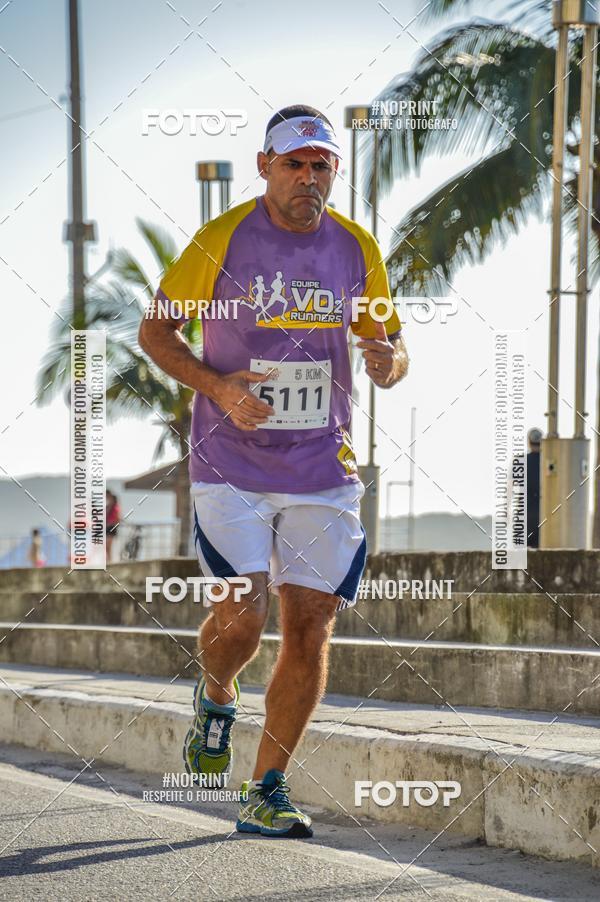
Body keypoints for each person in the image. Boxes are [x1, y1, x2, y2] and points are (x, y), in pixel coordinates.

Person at [139, 104, 409, 838]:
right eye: (294, 163)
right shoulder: (222, 239)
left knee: (311, 627)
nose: (308, 177)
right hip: (232, 467)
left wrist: (390, 360)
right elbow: (155, 331)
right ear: (265, 166)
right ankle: (218, 689)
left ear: (334, 172)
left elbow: (389, 342)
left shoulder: (356, 248)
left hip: (323, 467)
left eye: (321, 164)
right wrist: (220, 388)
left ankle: (267, 788)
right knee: (244, 616)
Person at [527, 427, 542, 548]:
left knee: (521, 552)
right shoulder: (549, 461)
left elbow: (509, 488)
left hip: (524, 514)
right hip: (544, 513)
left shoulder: (520, 461)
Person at [106, 489, 121, 562]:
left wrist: (111, 523)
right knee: (107, 547)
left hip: (111, 527)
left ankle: (110, 560)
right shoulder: (108, 506)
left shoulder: (115, 507)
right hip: (108, 527)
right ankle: (109, 560)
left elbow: (118, 518)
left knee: (109, 546)